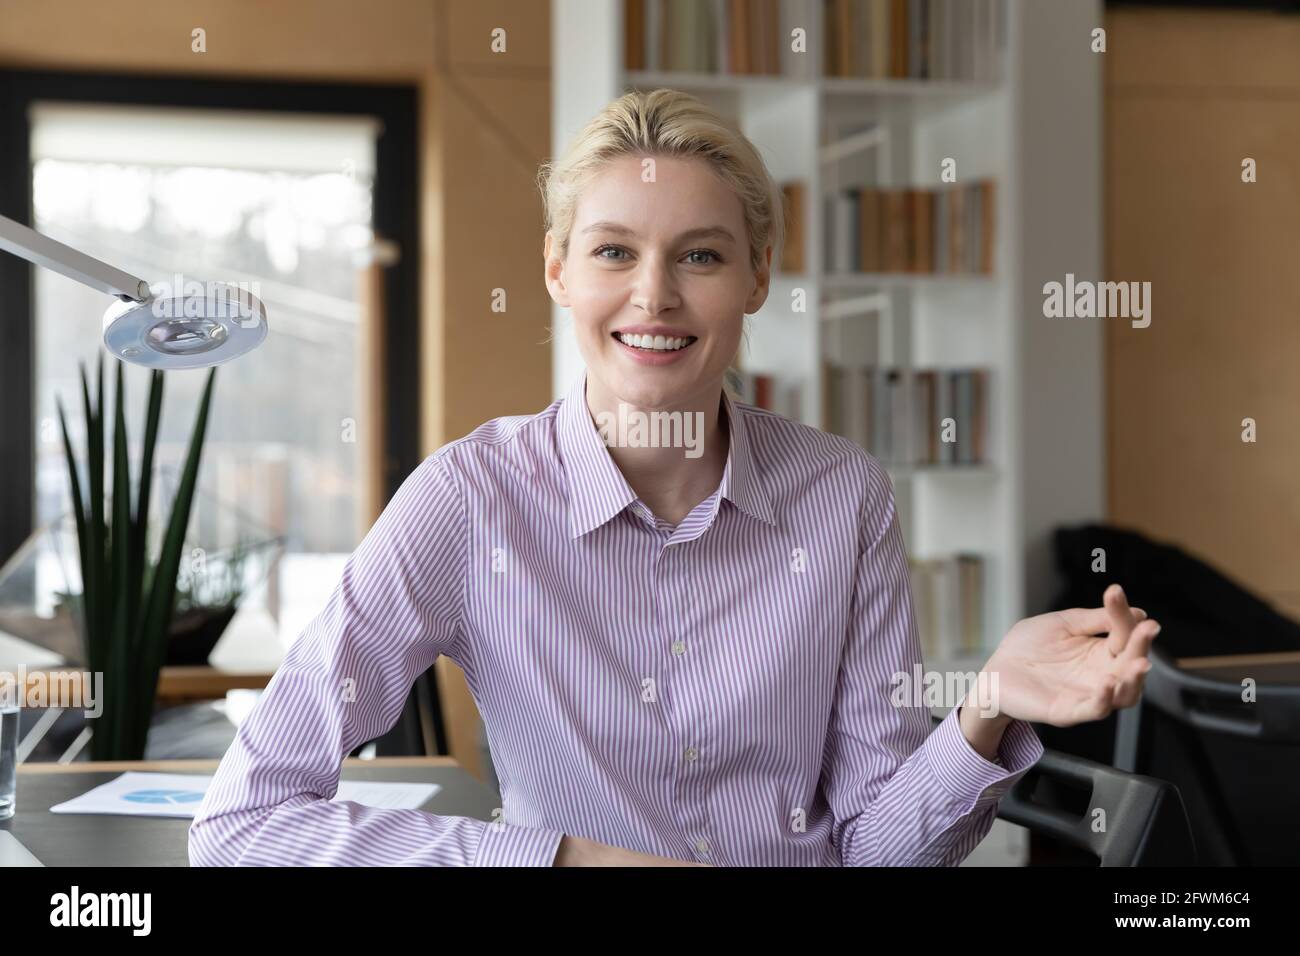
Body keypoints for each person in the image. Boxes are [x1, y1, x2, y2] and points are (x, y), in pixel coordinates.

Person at [188, 89, 1159, 867]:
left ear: (756, 277)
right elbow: (241, 822)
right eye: (614, 250)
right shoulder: (467, 499)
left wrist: (985, 701)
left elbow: (878, 849)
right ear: (558, 268)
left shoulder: (841, 494)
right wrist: (566, 860)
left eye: (699, 255)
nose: (653, 294)